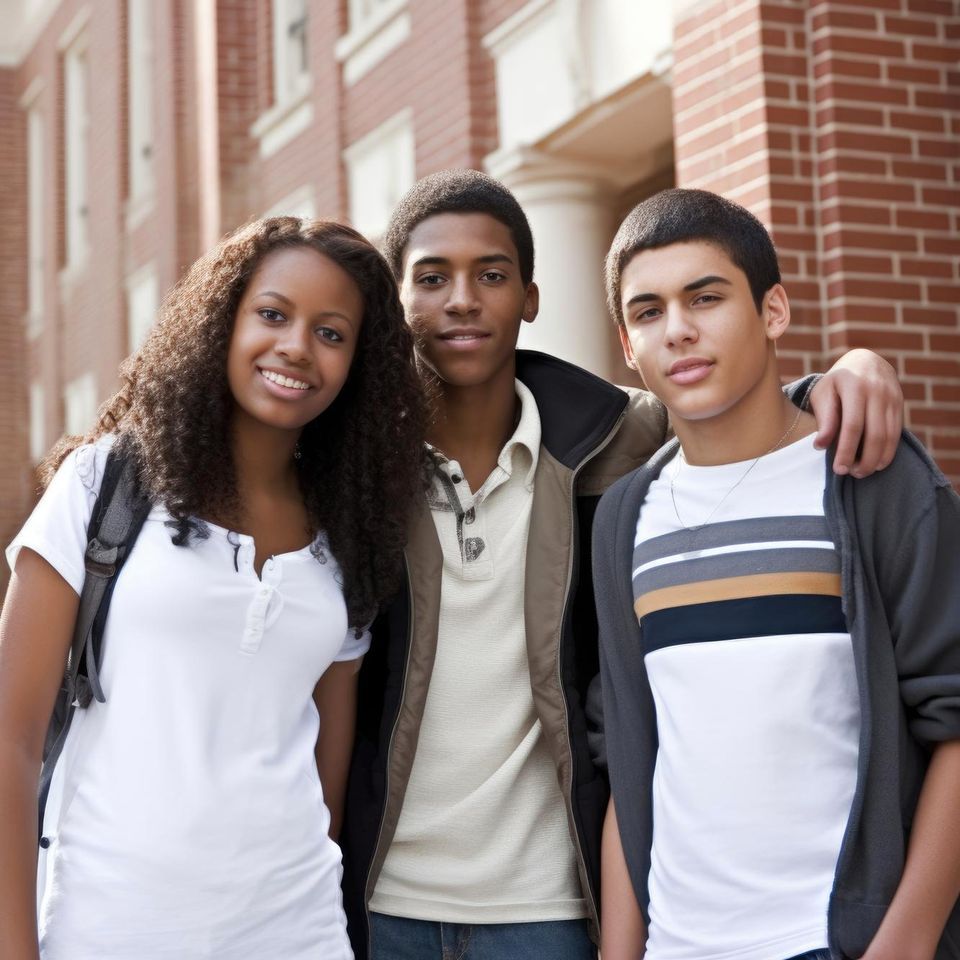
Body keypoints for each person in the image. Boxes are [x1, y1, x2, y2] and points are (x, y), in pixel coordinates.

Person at [338, 168, 906, 960]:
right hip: (385, 899)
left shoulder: (617, 440)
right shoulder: (354, 465)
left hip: (556, 903)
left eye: (492, 275)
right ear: (397, 306)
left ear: (531, 297)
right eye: (431, 279)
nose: (462, 299)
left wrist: (848, 374)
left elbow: (734, 417)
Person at [0, 217, 426, 960]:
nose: (297, 346)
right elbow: (12, 738)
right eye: (271, 314)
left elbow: (327, 769)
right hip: (110, 928)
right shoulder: (105, 482)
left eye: (332, 333)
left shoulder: (349, 529)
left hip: (299, 933)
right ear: (219, 323)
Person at [595, 188, 960, 960]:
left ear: (774, 311)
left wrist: (905, 944)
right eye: (649, 310)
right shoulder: (626, 516)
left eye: (706, 297)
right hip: (680, 945)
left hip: (834, 940)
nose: (680, 329)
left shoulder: (870, 476)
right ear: (629, 347)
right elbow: (637, 751)